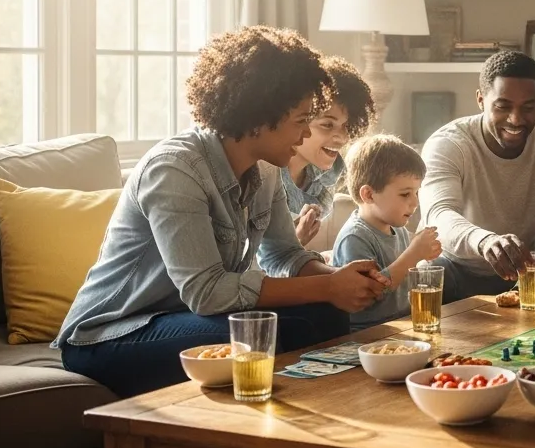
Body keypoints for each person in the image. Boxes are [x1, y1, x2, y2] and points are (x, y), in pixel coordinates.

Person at [55, 26, 389, 398]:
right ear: (262, 115)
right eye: (299, 120)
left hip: (181, 317)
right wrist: (328, 286)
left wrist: (341, 278)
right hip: (111, 335)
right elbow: (207, 292)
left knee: (326, 314)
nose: (302, 136)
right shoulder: (175, 170)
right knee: (275, 334)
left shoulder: (264, 170)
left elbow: (283, 253)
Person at [420, 51, 535, 302]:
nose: (515, 119)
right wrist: (485, 241)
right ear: (480, 99)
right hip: (457, 268)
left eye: (528, 108)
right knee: (429, 273)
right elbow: (438, 216)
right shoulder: (448, 144)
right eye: (502, 106)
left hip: (525, 277)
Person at [332, 134, 443, 331]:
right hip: (365, 334)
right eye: (405, 194)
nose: (415, 202)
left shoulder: (397, 229)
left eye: (416, 192)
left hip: (400, 326)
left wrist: (424, 254)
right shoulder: (355, 237)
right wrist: (413, 254)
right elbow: (370, 293)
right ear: (368, 194)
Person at [284, 56, 374, 247]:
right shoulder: (262, 175)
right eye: (327, 125)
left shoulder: (332, 171)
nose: (342, 137)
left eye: (346, 126)